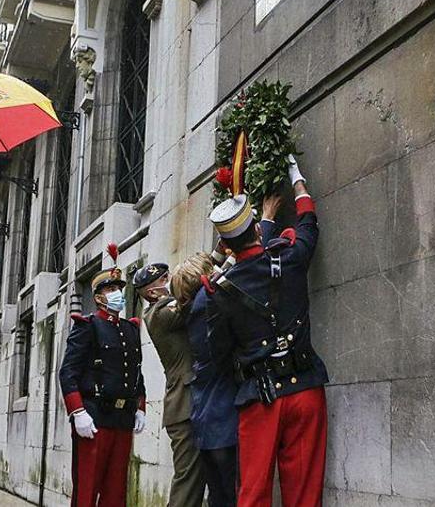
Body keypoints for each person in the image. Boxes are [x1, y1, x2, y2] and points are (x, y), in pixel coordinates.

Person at [206, 155, 328, 507]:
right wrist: (297, 178)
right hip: (305, 389)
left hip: (259, 399)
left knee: (254, 492)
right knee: (304, 493)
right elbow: (308, 222)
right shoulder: (289, 258)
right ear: (257, 229)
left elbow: (218, 353)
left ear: (227, 245)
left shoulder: (220, 292)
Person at [59, 247, 148, 507]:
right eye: (111, 290)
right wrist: (77, 412)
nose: (117, 294)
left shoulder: (131, 329)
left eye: (119, 289)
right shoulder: (88, 326)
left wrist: (140, 407)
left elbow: (135, 371)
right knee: (87, 490)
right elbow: (68, 372)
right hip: (94, 417)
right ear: (98, 298)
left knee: (116, 492)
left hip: (122, 419)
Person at [133, 263, 204, 507]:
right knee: (188, 480)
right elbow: (194, 297)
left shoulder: (165, 308)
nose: (172, 278)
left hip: (193, 401)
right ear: (153, 292)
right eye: (165, 277)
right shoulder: (158, 314)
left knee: (200, 477)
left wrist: (218, 253)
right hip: (183, 406)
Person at [176, 252, 239, 507]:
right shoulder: (208, 302)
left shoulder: (192, 307)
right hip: (223, 421)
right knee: (230, 494)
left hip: (206, 422)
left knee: (218, 495)